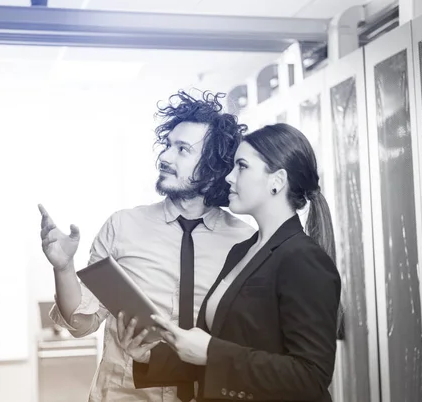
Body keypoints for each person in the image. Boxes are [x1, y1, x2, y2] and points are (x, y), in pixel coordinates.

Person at [39, 90, 255, 402]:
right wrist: (63, 268)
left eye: (183, 150)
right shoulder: (122, 226)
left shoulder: (244, 241)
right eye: (168, 146)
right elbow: (81, 324)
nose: (165, 157)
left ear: (214, 168)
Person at [118, 123, 342, 402]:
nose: (229, 177)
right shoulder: (243, 251)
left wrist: (212, 352)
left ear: (277, 180)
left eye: (242, 166)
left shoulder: (303, 259)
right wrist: (149, 357)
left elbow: (311, 377)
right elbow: (221, 354)